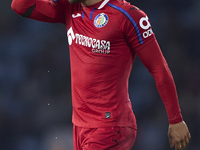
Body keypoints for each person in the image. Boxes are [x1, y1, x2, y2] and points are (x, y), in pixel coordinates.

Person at [11, 0, 191, 149]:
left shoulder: (127, 15)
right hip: (81, 126)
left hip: (110, 126)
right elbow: (20, 6)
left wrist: (176, 120)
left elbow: (158, 67)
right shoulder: (69, 9)